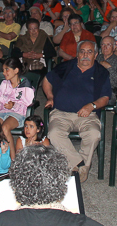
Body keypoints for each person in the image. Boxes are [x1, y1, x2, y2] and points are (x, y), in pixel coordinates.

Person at [43, 40, 112, 182]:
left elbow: (105, 98)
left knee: (94, 134)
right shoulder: (65, 67)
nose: (85, 55)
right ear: (77, 54)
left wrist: (91, 106)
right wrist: (50, 97)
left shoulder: (101, 72)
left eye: (89, 52)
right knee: (54, 133)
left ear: (95, 55)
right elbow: (47, 80)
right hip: (61, 113)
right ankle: (79, 165)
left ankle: (78, 168)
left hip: (88, 115)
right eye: (82, 51)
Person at [0, 58, 35, 158]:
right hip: (3, 112)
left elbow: (27, 107)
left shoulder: (25, 86)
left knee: (5, 128)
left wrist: (14, 105)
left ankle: (13, 159)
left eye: (7, 69)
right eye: (3, 70)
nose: (4, 73)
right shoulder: (4, 84)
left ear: (16, 70)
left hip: (18, 114)